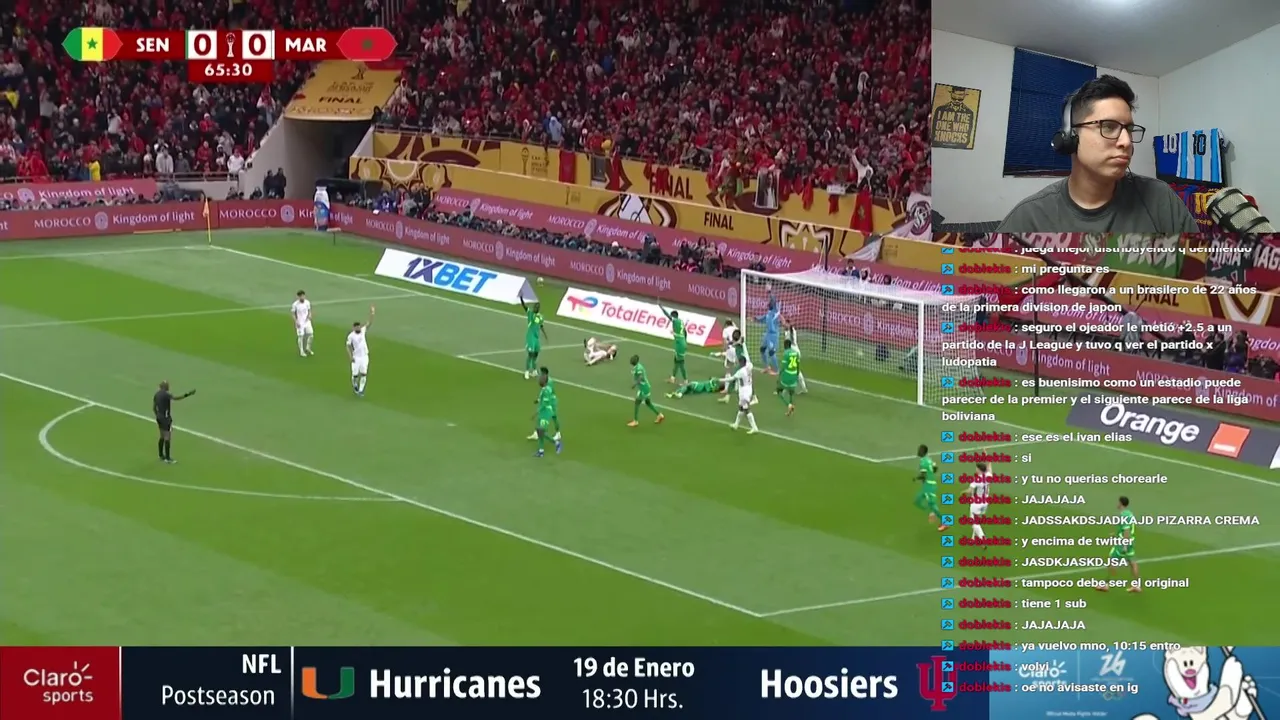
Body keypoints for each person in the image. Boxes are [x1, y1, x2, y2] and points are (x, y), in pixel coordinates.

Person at [997, 75, 1196, 233]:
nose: (1126, 142)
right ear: (1070, 137)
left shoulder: (1160, 198)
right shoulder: (1029, 219)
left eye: (1128, 129)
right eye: (1108, 126)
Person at [1097, 496, 1141, 593]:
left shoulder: (1123, 515)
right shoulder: (1129, 514)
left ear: (1121, 503)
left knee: (1111, 560)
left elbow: (1126, 530)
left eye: (1118, 502)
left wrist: (1124, 545)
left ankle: (1105, 585)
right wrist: (1116, 535)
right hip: (1130, 542)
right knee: (1133, 563)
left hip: (1123, 543)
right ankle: (1137, 586)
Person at [153, 381, 196, 463]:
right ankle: (167, 458)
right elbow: (176, 398)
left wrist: (157, 415)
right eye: (167, 386)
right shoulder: (166, 395)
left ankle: (161, 455)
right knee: (167, 437)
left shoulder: (157, 394)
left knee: (162, 436)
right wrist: (187, 394)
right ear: (165, 387)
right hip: (166, 418)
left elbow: (154, 407)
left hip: (159, 417)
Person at [628, 355, 665, 427]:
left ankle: (635, 421)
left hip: (643, 388)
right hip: (645, 387)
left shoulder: (638, 368)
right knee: (648, 402)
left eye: (632, 360)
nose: (631, 361)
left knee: (637, 402)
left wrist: (635, 384)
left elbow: (641, 377)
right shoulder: (638, 366)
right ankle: (660, 415)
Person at [346, 307, 374, 396]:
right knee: (355, 374)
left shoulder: (362, 331)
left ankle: (361, 390)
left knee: (364, 373)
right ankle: (355, 384)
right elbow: (348, 346)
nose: (358, 328)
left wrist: (372, 313)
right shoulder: (351, 336)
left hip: (364, 356)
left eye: (359, 326)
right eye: (356, 327)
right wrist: (350, 356)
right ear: (353, 328)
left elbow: (369, 323)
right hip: (356, 357)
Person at [519, 297, 548, 380]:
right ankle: (527, 371)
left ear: (539, 309)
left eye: (537, 307)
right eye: (535, 306)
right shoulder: (530, 313)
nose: (536, 308)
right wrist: (521, 298)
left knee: (536, 354)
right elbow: (524, 306)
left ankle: (534, 370)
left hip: (536, 338)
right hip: (530, 336)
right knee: (530, 354)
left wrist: (545, 335)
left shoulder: (540, 317)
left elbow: (541, 326)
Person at [292, 290, 314, 357]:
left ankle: (308, 348)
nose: (302, 297)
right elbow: (293, 314)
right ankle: (301, 351)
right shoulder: (295, 304)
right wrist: (296, 322)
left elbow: (309, 310)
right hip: (300, 322)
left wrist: (310, 315)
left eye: (303, 296)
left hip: (307, 321)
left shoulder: (307, 302)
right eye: (300, 296)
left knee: (311, 335)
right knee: (301, 336)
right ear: (298, 297)